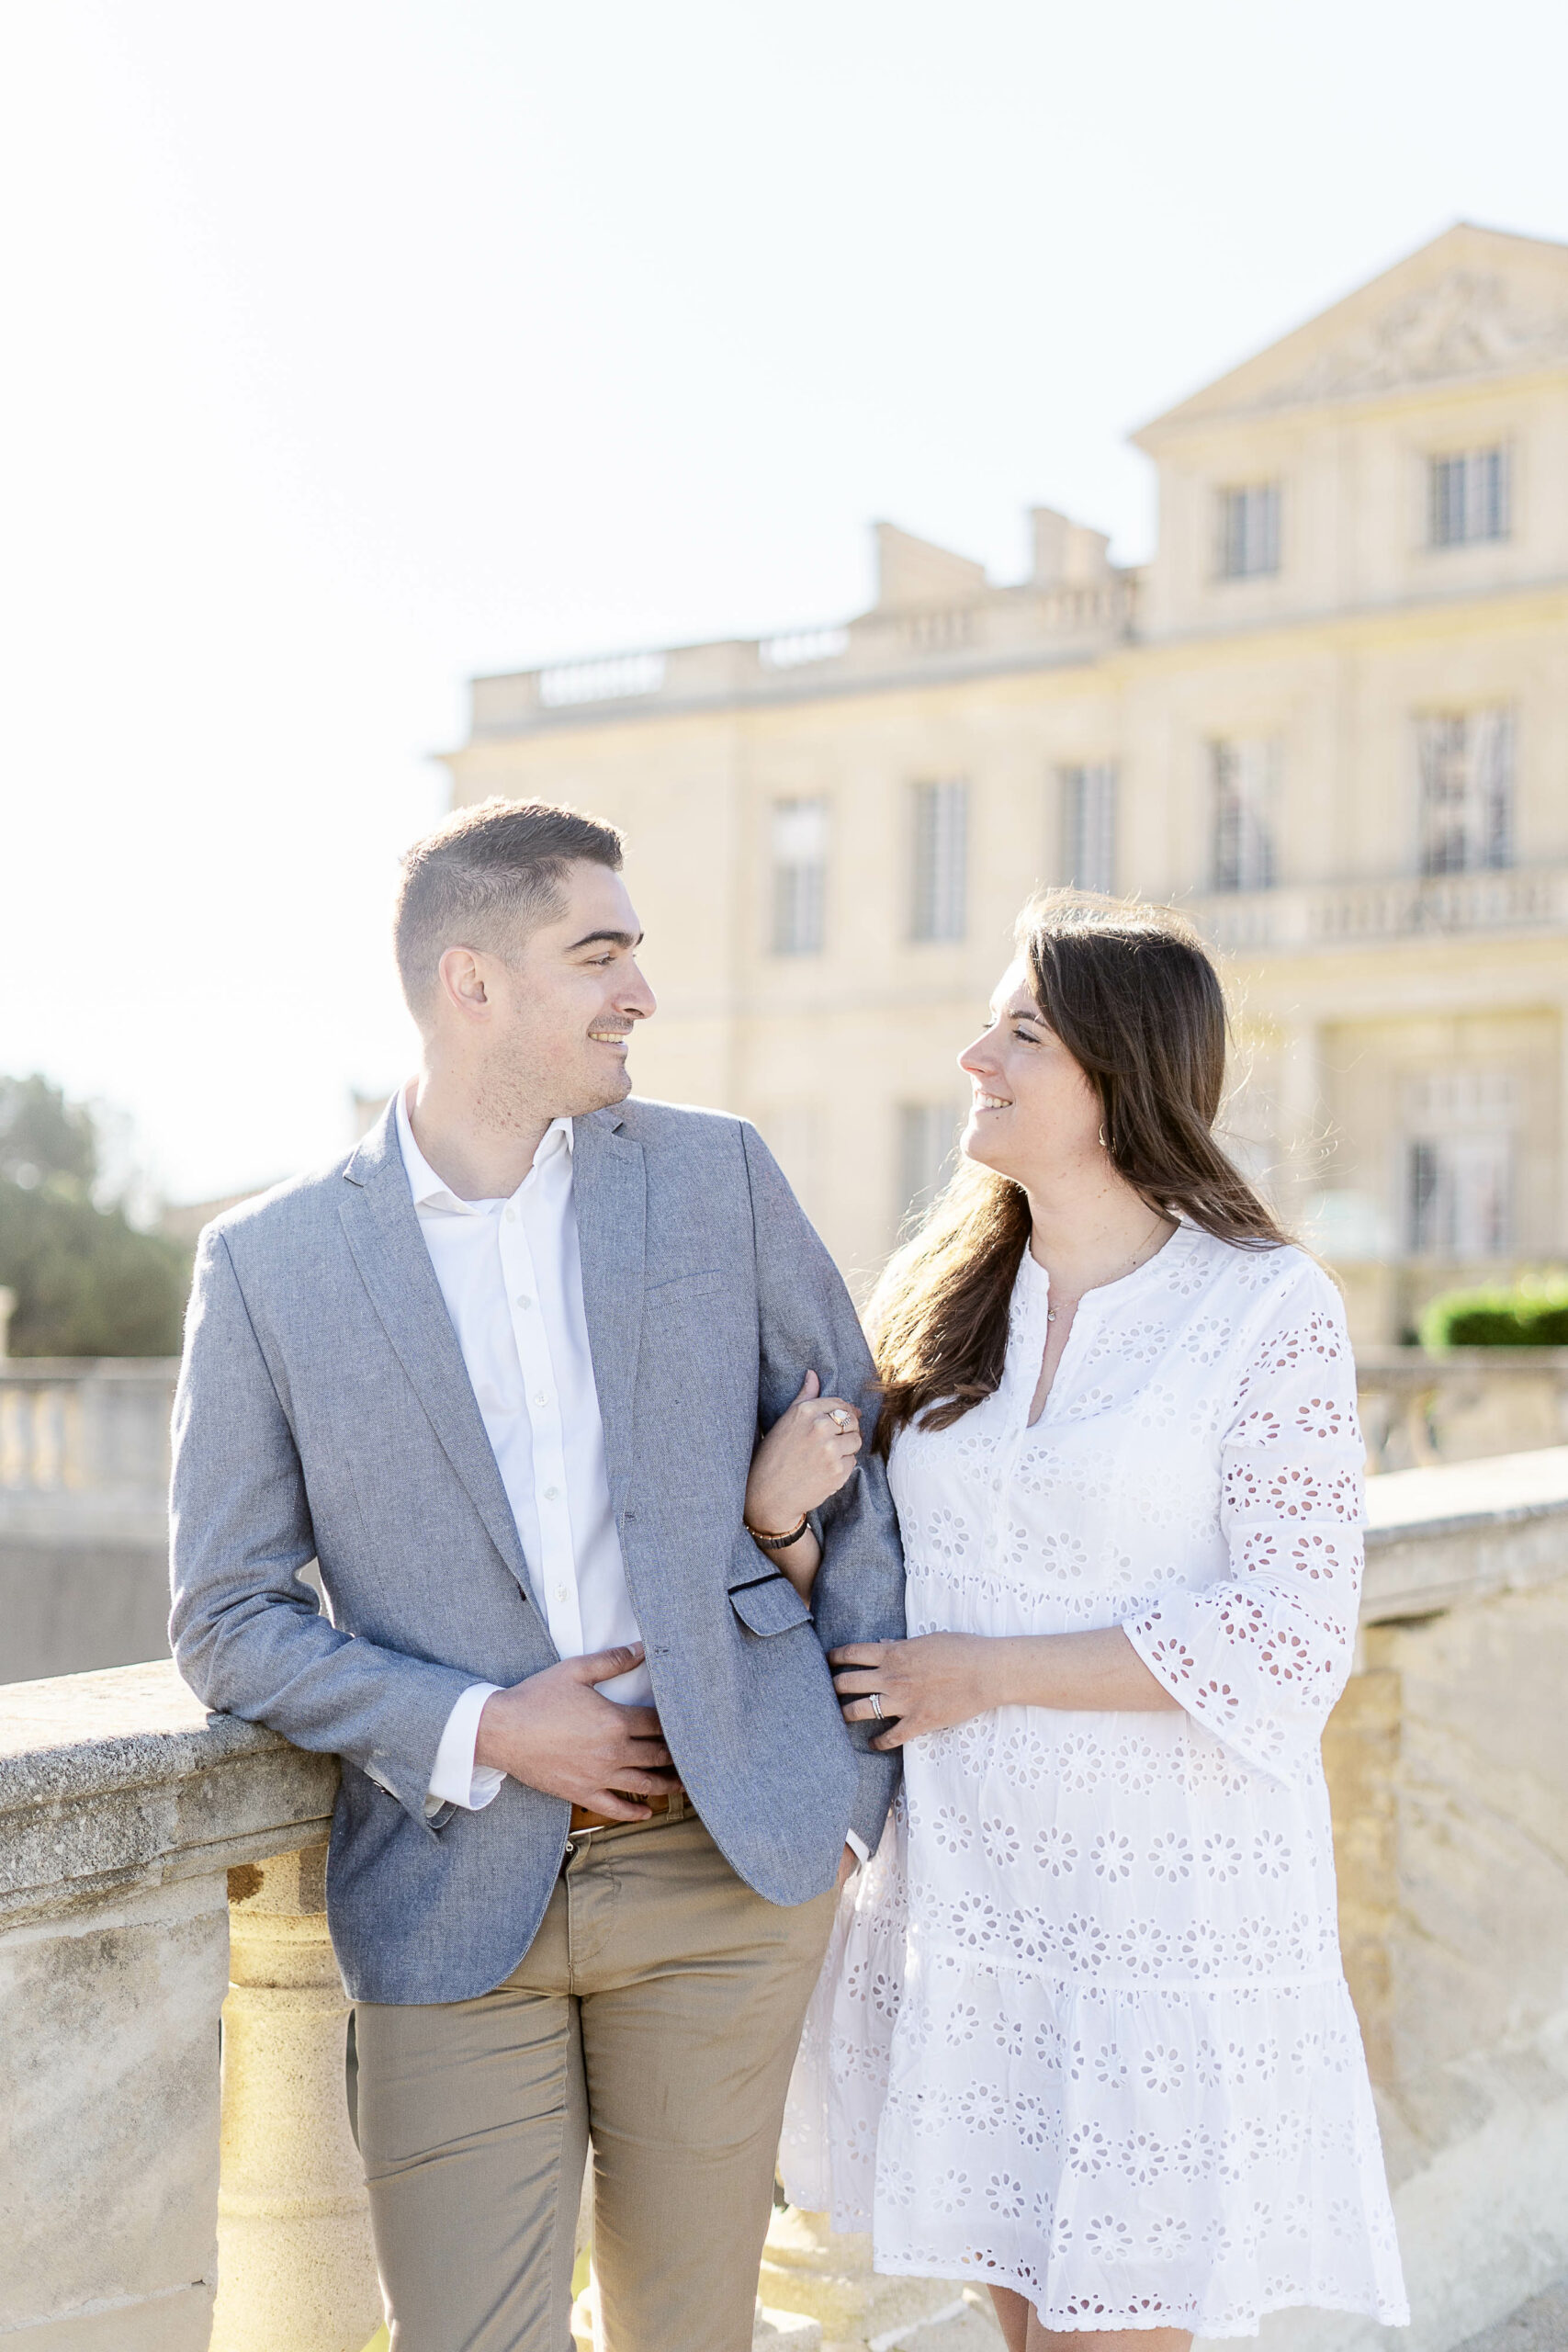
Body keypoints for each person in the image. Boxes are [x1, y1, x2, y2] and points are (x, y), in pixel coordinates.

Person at [169, 797, 904, 2352]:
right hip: (448, 1899)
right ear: (474, 981)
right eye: (602, 954)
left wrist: (843, 1805)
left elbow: (864, 1466)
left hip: (723, 1871)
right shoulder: (272, 1264)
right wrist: (486, 1727)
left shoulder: (716, 1180)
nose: (641, 992)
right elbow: (225, 1617)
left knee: (690, 2337)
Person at [779, 894, 1408, 2350]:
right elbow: (885, 1601)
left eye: (1021, 1032)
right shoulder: (947, 1300)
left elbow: (1290, 1638)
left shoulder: (1266, 1310)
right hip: (975, 1908)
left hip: (1160, 1925)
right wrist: (778, 1525)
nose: (973, 1057)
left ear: (1120, 1076)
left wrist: (984, 1676)